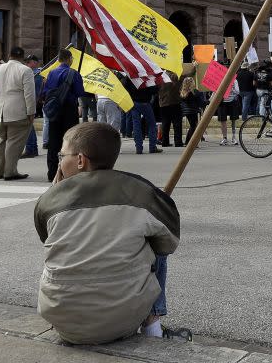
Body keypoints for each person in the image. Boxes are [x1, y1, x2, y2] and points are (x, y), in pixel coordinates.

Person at [34, 122, 183, 344]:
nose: (59, 160)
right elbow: (169, 243)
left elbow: (46, 238)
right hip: (124, 319)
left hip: (63, 320)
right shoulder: (140, 190)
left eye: (61, 155)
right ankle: (153, 327)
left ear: (81, 160)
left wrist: (55, 191)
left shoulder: (49, 200)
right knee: (155, 240)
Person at [0, 47, 36, 181]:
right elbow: (29, 94)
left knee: (2, 140)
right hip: (18, 112)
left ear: (9, 55)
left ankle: (0, 170)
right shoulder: (25, 70)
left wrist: (2, 94)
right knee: (14, 143)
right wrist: (31, 112)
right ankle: (10, 171)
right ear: (22, 57)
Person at [41, 49, 87, 182]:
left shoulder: (51, 73)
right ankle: (68, 172)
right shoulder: (73, 73)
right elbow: (80, 92)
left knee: (53, 142)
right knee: (70, 141)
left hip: (54, 110)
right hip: (69, 109)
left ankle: (51, 173)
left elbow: (45, 92)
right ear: (70, 59)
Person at [121, 73, 161, 155]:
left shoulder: (130, 76)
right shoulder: (146, 75)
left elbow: (124, 85)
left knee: (136, 125)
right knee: (152, 124)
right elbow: (154, 90)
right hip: (145, 102)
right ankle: (152, 147)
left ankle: (139, 148)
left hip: (134, 102)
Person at [23, 55, 43, 159]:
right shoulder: (32, 73)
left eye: (29, 62)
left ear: (35, 62)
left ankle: (30, 149)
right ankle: (33, 148)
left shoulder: (37, 75)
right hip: (31, 102)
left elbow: (34, 91)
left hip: (30, 102)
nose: (26, 64)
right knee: (30, 126)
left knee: (28, 126)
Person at [158, 71, 183, 147]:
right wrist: (194, 69)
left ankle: (165, 142)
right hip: (175, 103)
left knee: (165, 124)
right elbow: (186, 76)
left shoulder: (160, 77)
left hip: (163, 104)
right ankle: (178, 142)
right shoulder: (176, 77)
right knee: (177, 124)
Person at [179, 76, 205, 144]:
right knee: (193, 126)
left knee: (192, 126)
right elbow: (200, 102)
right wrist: (208, 101)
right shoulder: (194, 92)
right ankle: (189, 142)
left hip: (186, 111)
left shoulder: (183, 92)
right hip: (193, 111)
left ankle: (189, 142)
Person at [216, 78, 241, 146]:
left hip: (232, 101)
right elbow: (216, 90)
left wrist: (231, 87)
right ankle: (224, 138)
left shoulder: (235, 80)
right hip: (222, 102)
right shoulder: (220, 79)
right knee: (222, 120)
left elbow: (238, 92)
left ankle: (233, 137)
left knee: (233, 120)